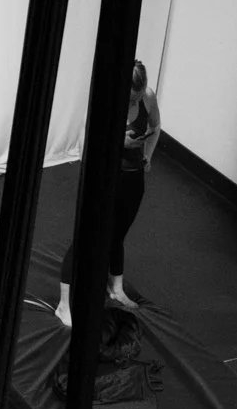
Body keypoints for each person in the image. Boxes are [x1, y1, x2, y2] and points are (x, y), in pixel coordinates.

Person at [55, 61, 161, 326]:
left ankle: (116, 288)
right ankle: (63, 305)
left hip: (133, 177)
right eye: (131, 97)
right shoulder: (106, 103)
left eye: (138, 96)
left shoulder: (148, 97)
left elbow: (156, 126)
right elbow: (88, 143)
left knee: (117, 234)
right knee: (85, 236)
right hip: (105, 178)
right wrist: (119, 142)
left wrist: (147, 155)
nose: (135, 100)